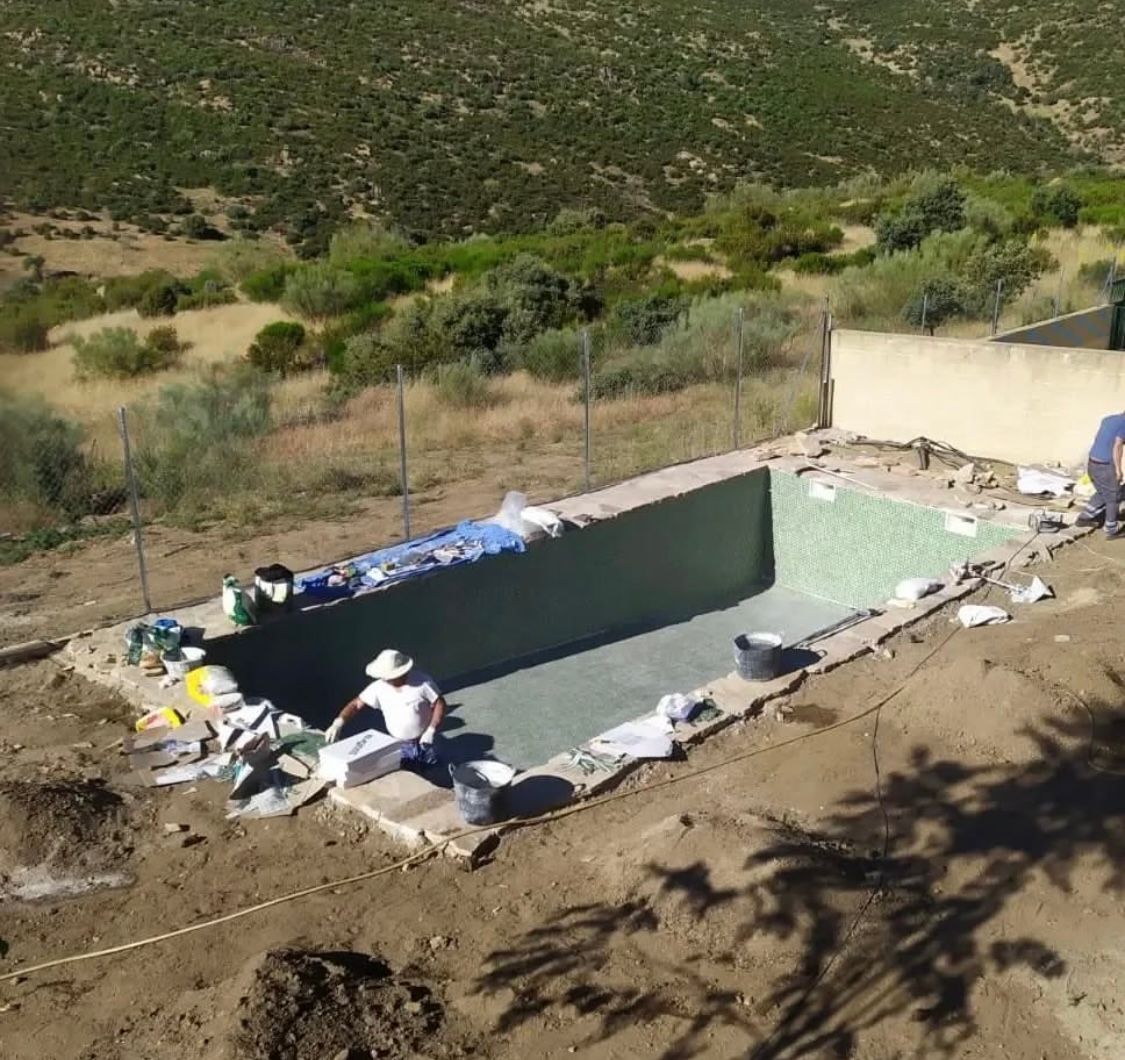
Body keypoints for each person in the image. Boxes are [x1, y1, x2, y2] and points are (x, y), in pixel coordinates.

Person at [324, 649, 447, 768]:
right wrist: (339, 722)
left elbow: (439, 703)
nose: (388, 680)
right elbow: (356, 704)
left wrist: (431, 730)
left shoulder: (422, 682)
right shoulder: (378, 688)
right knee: (408, 776)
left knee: (434, 770)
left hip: (426, 741)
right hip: (399, 744)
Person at [1077, 411, 1125, 539]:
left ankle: (1084, 518)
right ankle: (1111, 529)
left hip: (1093, 463)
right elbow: (1118, 445)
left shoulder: (1108, 419)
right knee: (1114, 498)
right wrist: (1118, 470)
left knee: (1102, 492)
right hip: (1105, 466)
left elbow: (1097, 437)